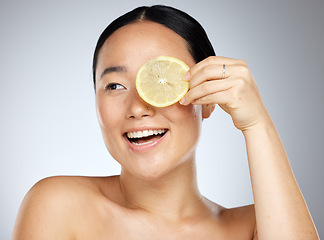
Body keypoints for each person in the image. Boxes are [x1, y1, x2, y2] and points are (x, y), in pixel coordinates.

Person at [12, 5, 319, 239]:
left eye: (162, 80)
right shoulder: (59, 205)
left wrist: (257, 125)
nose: (138, 108)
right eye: (115, 86)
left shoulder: (256, 225)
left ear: (208, 98)